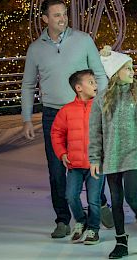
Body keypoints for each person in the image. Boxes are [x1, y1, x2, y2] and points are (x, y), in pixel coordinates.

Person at [21, 0, 113, 238]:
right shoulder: (36, 49)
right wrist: (27, 118)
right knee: (57, 168)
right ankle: (63, 219)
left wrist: (101, 104)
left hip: (86, 110)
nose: (62, 18)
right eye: (56, 15)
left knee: (91, 160)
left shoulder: (83, 40)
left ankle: (100, 203)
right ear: (44, 19)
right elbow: (28, 85)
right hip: (54, 114)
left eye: (64, 13)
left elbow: (100, 75)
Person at [89, 46, 137, 259]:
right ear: (115, 73)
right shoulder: (102, 99)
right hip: (111, 157)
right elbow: (95, 131)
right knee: (115, 200)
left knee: (131, 196)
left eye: (132, 68)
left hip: (132, 154)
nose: (133, 72)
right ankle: (121, 241)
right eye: (127, 68)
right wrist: (95, 158)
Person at [51, 69, 103, 245]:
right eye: (91, 82)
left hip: (95, 164)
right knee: (71, 196)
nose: (95, 85)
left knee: (93, 200)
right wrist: (62, 153)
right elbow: (56, 133)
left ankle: (94, 229)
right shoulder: (66, 111)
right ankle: (81, 221)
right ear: (78, 87)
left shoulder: (101, 107)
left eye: (95, 81)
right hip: (74, 165)